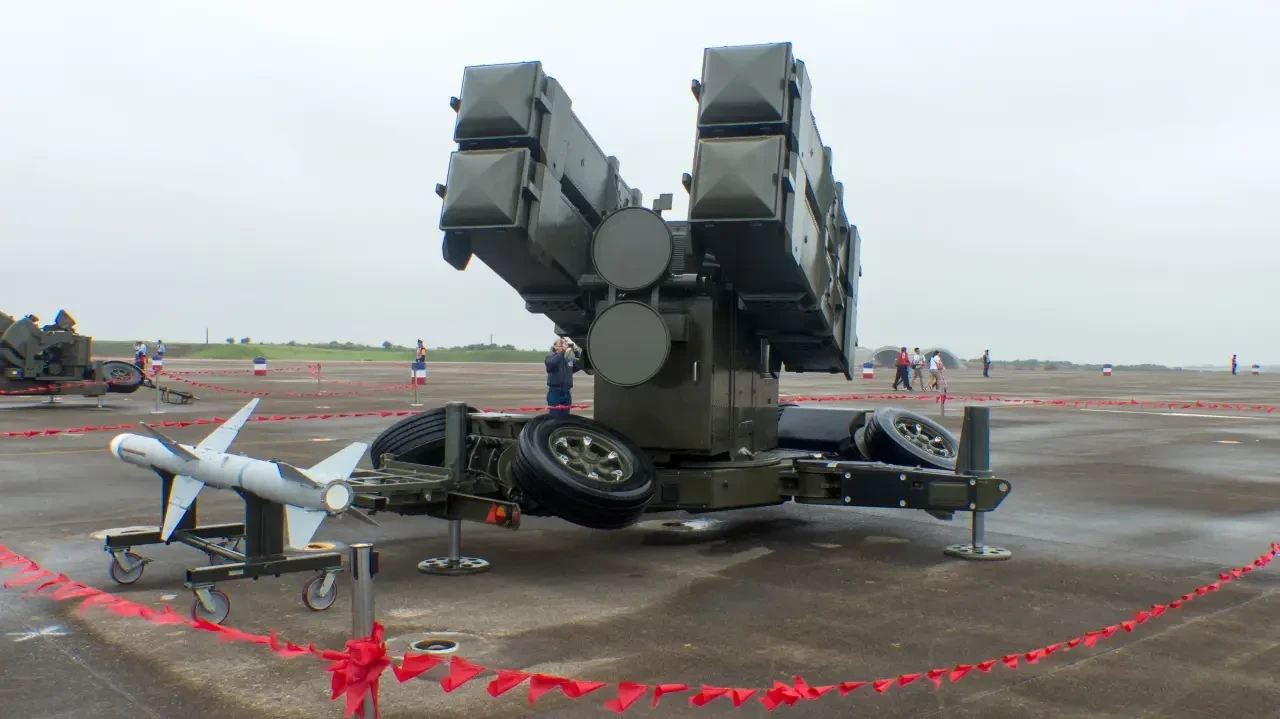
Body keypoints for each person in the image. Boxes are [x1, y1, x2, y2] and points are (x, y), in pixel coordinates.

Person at [545, 337, 582, 415]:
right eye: (560, 345)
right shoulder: (549, 358)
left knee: (565, 416)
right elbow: (553, 362)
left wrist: (575, 351)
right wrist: (563, 351)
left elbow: (581, 364)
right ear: (555, 346)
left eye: (564, 345)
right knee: (555, 416)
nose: (563, 346)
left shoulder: (569, 360)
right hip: (555, 392)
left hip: (567, 392)